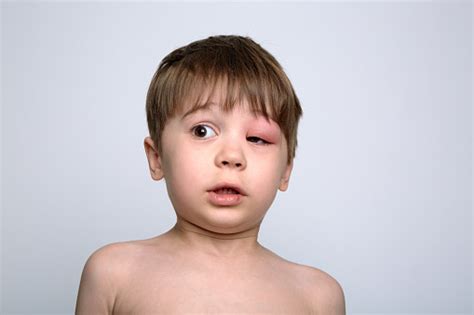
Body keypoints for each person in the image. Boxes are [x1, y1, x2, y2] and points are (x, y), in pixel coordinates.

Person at [75, 35, 346, 314]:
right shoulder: (114, 274)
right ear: (157, 158)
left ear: (285, 170)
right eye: (202, 131)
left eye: (256, 139)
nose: (231, 156)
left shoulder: (317, 297)